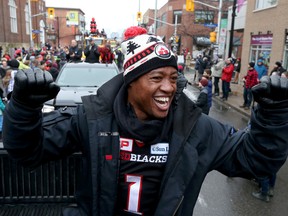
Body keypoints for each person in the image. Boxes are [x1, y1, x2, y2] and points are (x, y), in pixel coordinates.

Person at [3, 26, 288, 216]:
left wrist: (274, 116)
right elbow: (27, 150)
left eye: (173, 78)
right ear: (131, 83)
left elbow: (255, 161)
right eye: (156, 78)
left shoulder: (195, 127)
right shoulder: (93, 119)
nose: (168, 87)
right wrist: (24, 107)